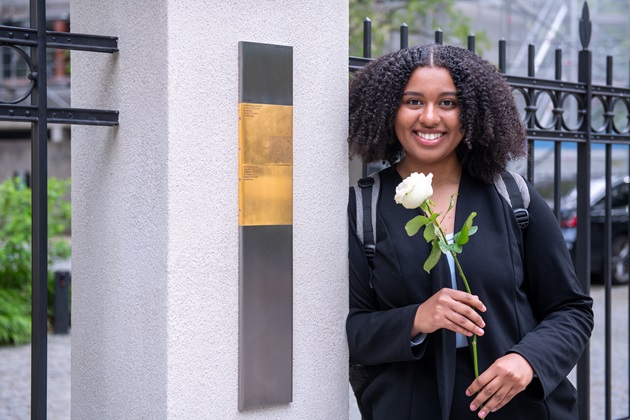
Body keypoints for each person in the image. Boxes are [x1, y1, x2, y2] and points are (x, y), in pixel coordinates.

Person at [346, 44, 594, 419]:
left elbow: (572, 309)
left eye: (448, 103)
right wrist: (417, 318)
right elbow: (355, 330)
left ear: (472, 113)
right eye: (413, 101)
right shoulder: (364, 207)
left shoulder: (513, 195)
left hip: (518, 408)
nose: (430, 117)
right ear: (388, 110)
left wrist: (527, 361)